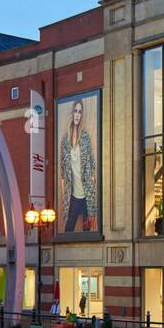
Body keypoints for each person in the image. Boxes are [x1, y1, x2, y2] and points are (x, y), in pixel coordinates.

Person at [60, 98, 97, 232]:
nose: (77, 115)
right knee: (69, 228)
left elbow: (91, 164)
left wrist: (92, 187)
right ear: (72, 113)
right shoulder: (65, 140)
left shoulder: (85, 137)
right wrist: (64, 195)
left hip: (86, 193)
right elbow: (63, 171)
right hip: (73, 195)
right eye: (75, 111)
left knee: (87, 231)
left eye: (80, 112)